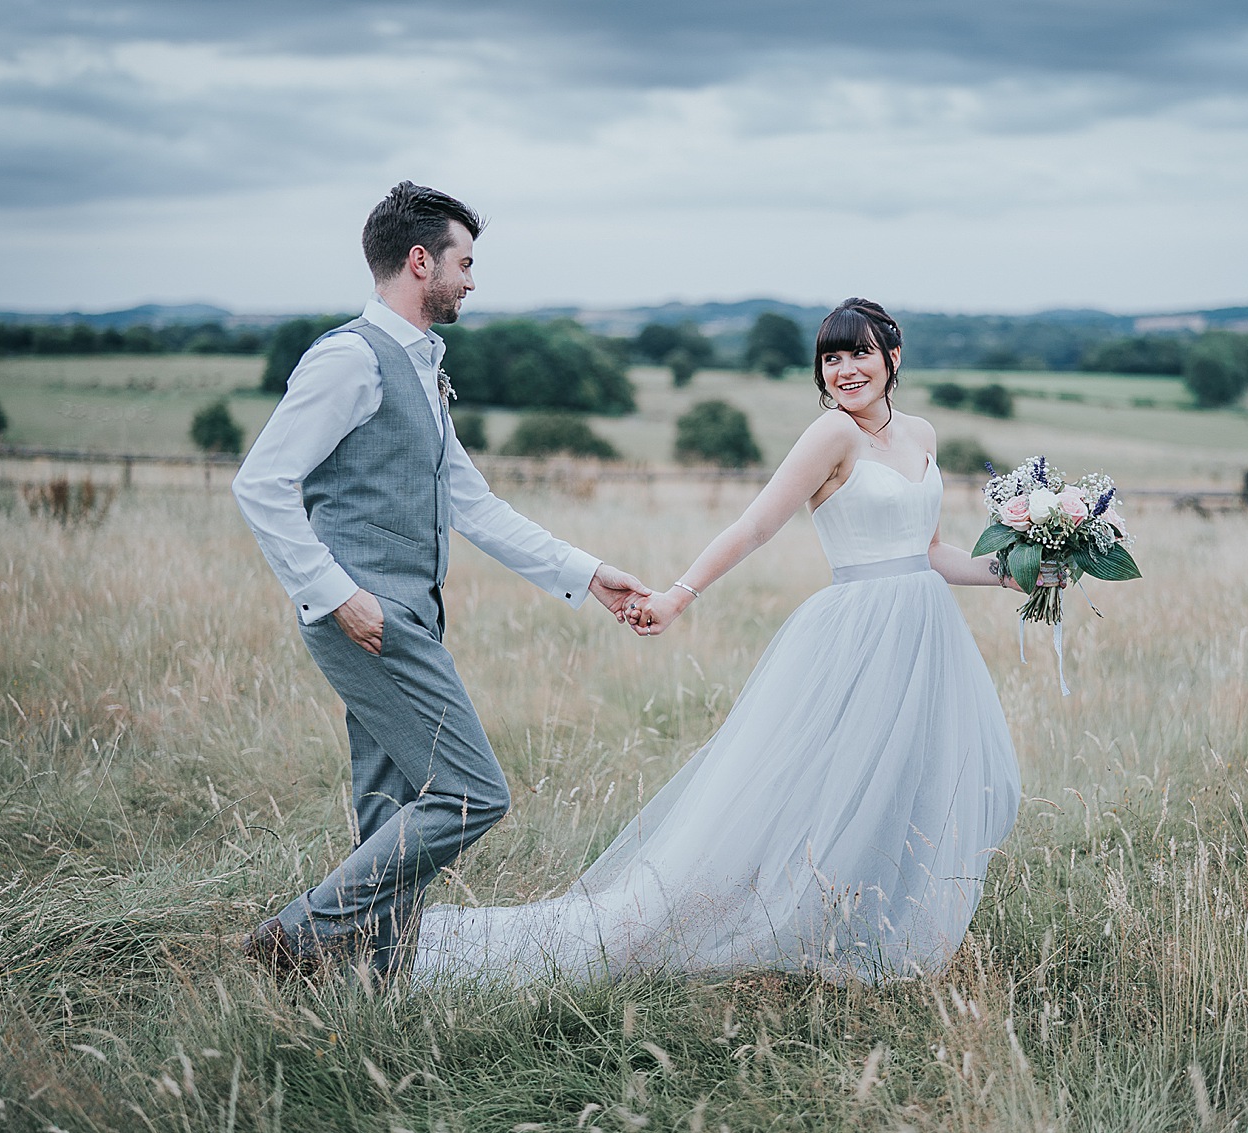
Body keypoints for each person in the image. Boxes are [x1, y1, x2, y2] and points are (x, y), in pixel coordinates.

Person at [413, 298, 1022, 984]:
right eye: (832, 358)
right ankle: (770, 919)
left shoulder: (922, 434)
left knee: (912, 781)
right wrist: (679, 593)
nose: (846, 370)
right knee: (821, 785)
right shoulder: (831, 436)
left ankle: (869, 923)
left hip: (926, 632)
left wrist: (1013, 572)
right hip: (856, 636)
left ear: (894, 356)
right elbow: (755, 525)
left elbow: (931, 549)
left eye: (860, 353)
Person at [231, 181, 650, 978]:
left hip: (408, 613)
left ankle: (373, 982)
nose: (471, 280)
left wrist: (589, 574)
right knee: (471, 792)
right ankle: (294, 935)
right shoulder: (350, 358)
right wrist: (334, 593)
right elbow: (261, 483)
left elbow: (475, 505)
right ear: (419, 261)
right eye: (464, 261)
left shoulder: (423, 369)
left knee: (392, 809)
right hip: (364, 614)